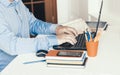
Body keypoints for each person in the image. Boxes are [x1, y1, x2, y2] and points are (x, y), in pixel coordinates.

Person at [0, 0, 78, 72]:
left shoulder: (17, 2)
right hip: (8, 68)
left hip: (24, 58)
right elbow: (12, 45)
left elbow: (32, 24)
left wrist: (56, 29)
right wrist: (53, 40)